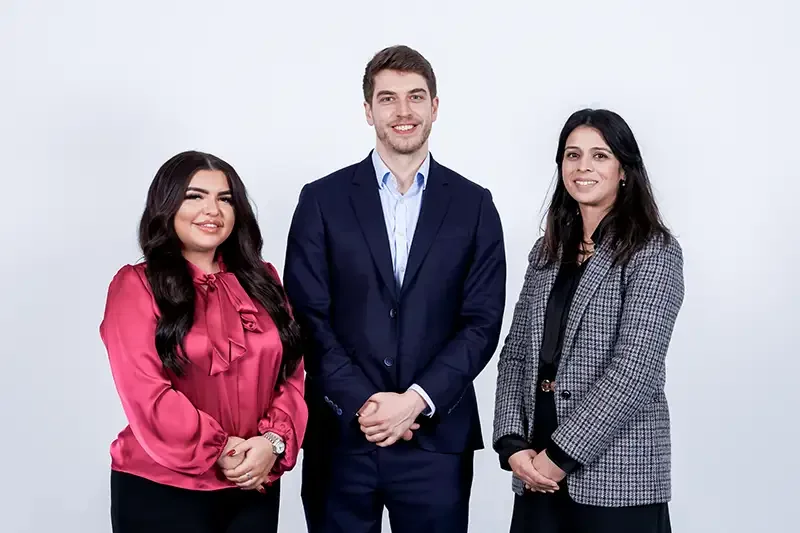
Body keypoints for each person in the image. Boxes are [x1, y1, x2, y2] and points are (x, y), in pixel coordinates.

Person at [283, 45, 507, 533]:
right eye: (388, 99)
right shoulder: (321, 200)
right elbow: (305, 316)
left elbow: (482, 322)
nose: (403, 112)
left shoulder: (475, 206)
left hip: (436, 440)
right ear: (368, 110)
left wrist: (415, 401)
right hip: (342, 437)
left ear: (435, 107)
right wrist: (365, 403)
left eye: (415, 97)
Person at [492, 108, 684, 533]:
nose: (583, 167)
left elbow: (634, 372)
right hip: (534, 469)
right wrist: (512, 445)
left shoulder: (653, 251)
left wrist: (559, 457)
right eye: (572, 155)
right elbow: (516, 353)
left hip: (616, 477)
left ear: (624, 170)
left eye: (599, 156)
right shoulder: (547, 251)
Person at [100, 151, 307, 533]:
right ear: (166, 205)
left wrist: (271, 443)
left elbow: (291, 376)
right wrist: (224, 450)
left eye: (224, 199)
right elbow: (147, 395)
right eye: (194, 196)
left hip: (254, 483)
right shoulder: (136, 286)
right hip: (162, 487)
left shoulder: (263, 280)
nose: (212, 210)